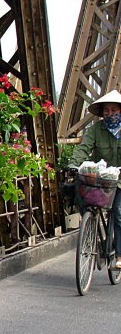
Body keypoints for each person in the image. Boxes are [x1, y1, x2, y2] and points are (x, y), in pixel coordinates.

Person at [68, 88, 121, 269]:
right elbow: (85, 147)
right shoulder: (97, 129)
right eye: (106, 110)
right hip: (102, 176)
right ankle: (91, 234)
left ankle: (120, 255)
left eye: (114, 110)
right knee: (83, 199)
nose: (109, 114)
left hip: (119, 179)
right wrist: (74, 164)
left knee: (118, 212)